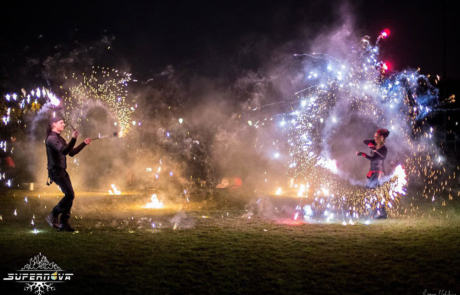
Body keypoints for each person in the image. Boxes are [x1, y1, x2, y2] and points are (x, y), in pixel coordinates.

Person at [45, 116, 92, 231]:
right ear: (54, 124)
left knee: (70, 196)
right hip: (55, 171)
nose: (63, 125)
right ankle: (53, 214)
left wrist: (83, 143)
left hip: (62, 171)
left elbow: (71, 153)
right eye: (61, 123)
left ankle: (64, 223)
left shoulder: (60, 139)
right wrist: (73, 139)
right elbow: (64, 151)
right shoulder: (51, 139)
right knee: (70, 195)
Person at [356, 128, 390, 219]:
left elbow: (376, 159)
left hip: (378, 173)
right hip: (373, 172)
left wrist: (364, 154)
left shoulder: (383, 149)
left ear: (382, 137)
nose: (374, 138)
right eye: (374, 136)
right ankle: (380, 213)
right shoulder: (375, 144)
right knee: (375, 193)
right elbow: (365, 141)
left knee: (372, 191)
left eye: (377, 137)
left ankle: (374, 213)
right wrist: (371, 146)